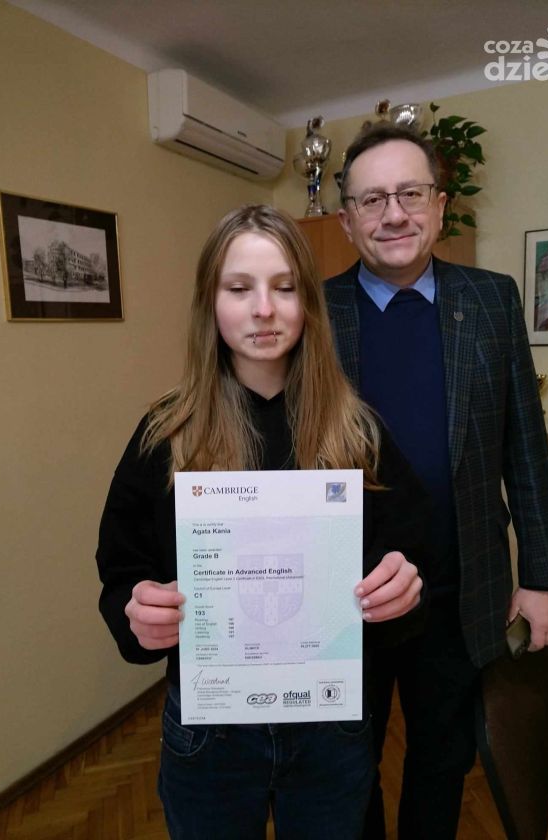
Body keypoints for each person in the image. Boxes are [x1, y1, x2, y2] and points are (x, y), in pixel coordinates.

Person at [96, 204, 433, 839]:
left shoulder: (357, 433)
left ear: (309, 304)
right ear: (210, 303)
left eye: (284, 287)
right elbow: (121, 573)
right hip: (210, 732)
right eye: (238, 288)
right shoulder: (166, 435)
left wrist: (402, 590)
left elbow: (414, 561)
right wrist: (136, 612)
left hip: (330, 726)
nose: (263, 310)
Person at [324, 122, 548, 839]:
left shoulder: (491, 300)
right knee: (346, 763)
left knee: (443, 756)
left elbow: (525, 444)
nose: (393, 214)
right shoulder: (312, 310)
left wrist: (543, 576)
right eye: (372, 200)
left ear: (438, 205)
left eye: (409, 194)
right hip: (347, 595)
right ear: (347, 220)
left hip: (462, 589)